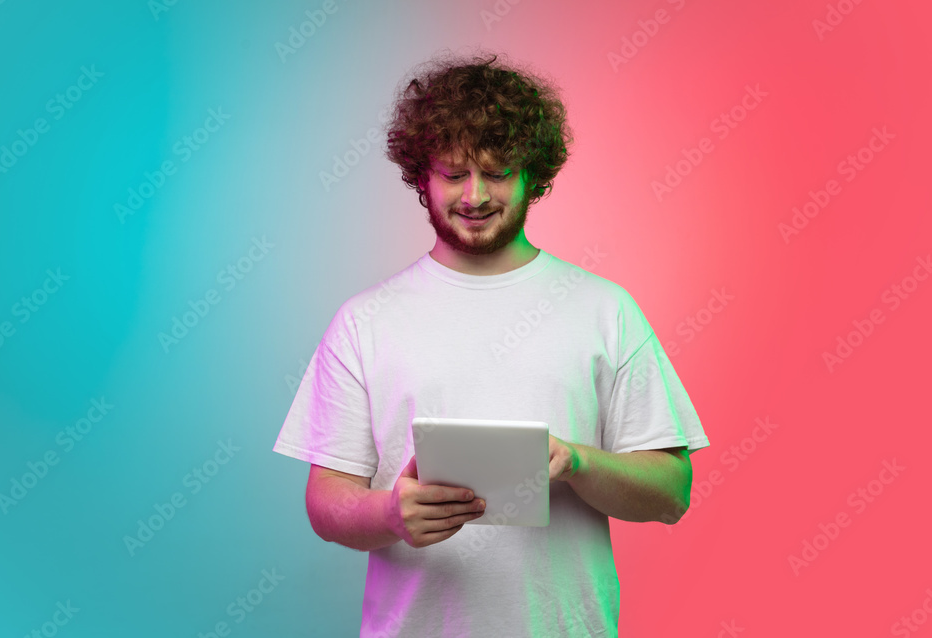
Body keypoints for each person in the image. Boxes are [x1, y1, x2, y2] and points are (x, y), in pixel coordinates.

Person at [273, 50, 710, 637]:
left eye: (497, 171)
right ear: (420, 178)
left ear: (535, 175)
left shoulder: (606, 310)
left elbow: (670, 494)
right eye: (453, 173)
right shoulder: (363, 322)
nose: (474, 196)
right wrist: (389, 513)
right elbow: (326, 504)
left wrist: (577, 462)